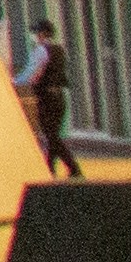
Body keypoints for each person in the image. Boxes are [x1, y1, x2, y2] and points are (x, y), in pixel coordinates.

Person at [15, 24, 83, 177]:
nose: (33, 36)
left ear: (43, 34)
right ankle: (50, 170)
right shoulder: (59, 50)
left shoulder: (41, 51)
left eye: (36, 32)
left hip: (47, 98)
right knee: (52, 134)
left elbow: (31, 72)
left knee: (51, 135)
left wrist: (14, 82)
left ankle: (74, 169)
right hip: (60, 97)